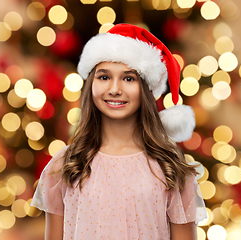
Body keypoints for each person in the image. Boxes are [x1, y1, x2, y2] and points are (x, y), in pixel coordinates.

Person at [31, 23, 207, 240]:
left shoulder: (169, 168)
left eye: (128, 78)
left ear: (146, 88)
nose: (114, 89)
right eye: (104, 77)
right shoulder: (65, 165)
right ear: (91, 84)